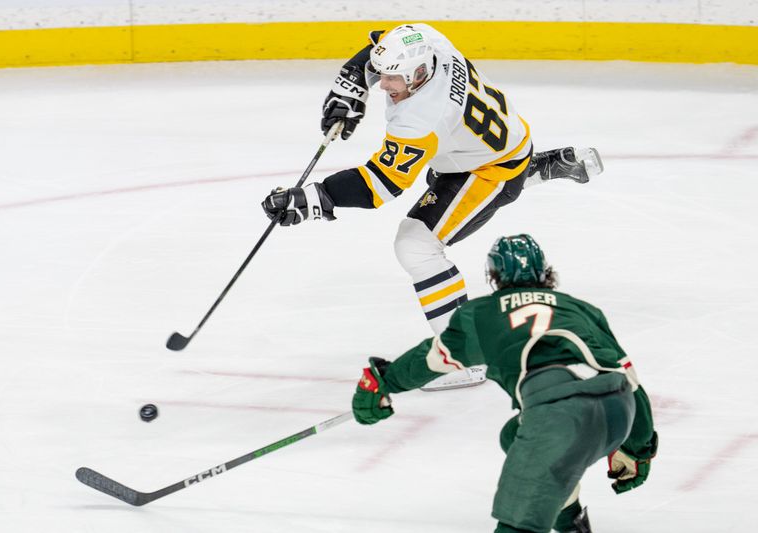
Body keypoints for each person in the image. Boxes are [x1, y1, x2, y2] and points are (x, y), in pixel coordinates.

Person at [262, 23, 603, 390]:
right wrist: (352, 85)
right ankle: (538, 166)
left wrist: (315, 198)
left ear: (419, 73)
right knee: (437, 187)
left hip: (488, 170)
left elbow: (382, 184)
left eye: (393, 79)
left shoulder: (420, 118)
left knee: (416, 245)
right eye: (384, 76)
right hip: (489, 142)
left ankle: (463, 359)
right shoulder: (429, 41)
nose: (384, 86)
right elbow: (379, 45)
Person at [351, 234, 658, 533]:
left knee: (517, 522)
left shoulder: (482, 314)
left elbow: (430, 360)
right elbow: (631, 382)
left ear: (493, 277)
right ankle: (570, 521)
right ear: (545, 272)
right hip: (618, 409)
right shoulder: (581, 309)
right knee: (514, 435)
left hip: (558, 418)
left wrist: (383, 382)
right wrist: (638, 448)